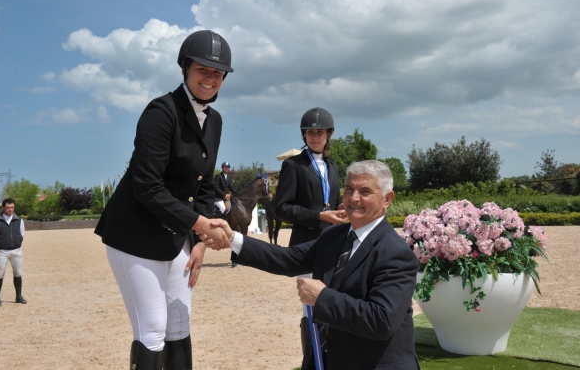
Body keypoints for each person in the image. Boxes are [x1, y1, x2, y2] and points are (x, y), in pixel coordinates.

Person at [94, 29, 233, 370]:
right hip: (135, 234)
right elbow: (147, 186)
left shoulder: (214, 121)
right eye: (203, 69)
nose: (210, 78)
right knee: (153, 328)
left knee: (179, 325)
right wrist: (200, 224)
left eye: (217, 73)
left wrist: (199, 240)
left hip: (177, 233)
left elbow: (202, 187)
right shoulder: (161, 111)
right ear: (186, 68)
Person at [205, 160, 421, 370]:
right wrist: (232, 238)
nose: (353, 198)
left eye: (365, 191)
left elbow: (381, 321)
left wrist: (322, 297)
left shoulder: (396, 254)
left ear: (387, 199)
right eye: (348, 189)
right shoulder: (333, 237)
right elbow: (287, 259)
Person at [273, 107, 345, 352]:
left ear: (328, 135)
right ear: (304, 135)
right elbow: (281, 208)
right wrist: (318, 216)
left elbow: (333, 204)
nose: (315, 136)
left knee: (329, 301)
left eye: (320, 132)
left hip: (333, 244)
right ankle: (311, 360)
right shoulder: (293, 166)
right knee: (310, 304)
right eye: (310, 132)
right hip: (306, 245)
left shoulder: (334, 167)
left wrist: (341, 210)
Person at [0, 198, 27, 307]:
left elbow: (22, 234)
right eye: (8, 207)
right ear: (3, 207)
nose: (10, 209)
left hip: (16, 251)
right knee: (0, 274)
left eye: (12, 207)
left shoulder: (19, 220)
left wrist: (17, 243)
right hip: (2, 252)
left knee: (18, 273)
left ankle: (18, 296)